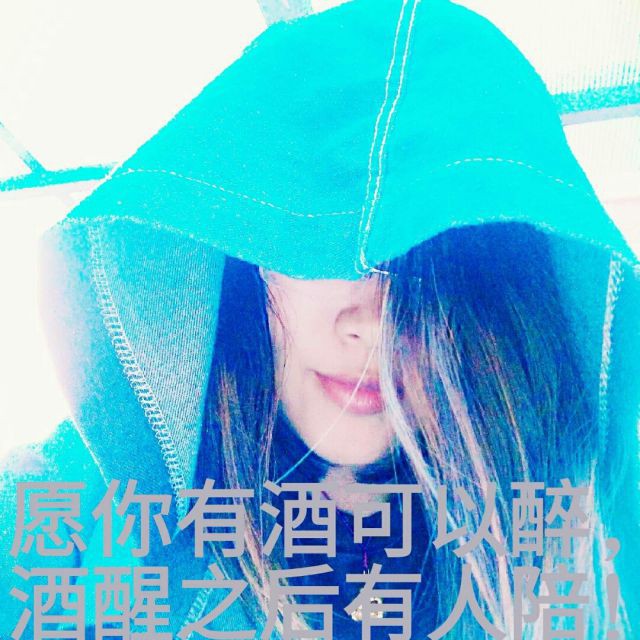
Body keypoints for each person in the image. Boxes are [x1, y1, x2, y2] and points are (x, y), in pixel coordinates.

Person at [1, 0, 639, 637]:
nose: (375, 327)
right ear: (246, 249)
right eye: (325, 245)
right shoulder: (63, 515)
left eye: (434, 272)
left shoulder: (587, 535)